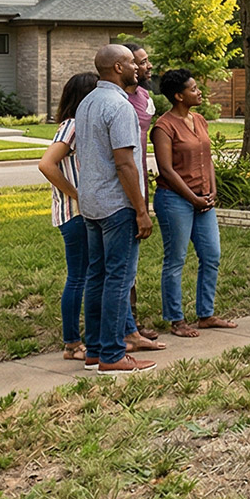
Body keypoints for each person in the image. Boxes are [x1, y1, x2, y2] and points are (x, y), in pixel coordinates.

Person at [74, 44, 158, 373]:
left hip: (91, 203)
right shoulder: (119, 107)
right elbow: (125, 163)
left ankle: (93, 350)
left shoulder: (87, 103)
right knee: (118, 279)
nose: (137, 67)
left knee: (96, 275)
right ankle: (112, 354)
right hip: (116, 206)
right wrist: (140, 209)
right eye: (130, 63)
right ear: (118, 68)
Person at [151, 68, 238, 337]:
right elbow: (166, 169)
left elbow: (206, 158)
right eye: (193, 89)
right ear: (178, 96)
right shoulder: (163, 127)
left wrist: (211, 191)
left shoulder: (199, 120)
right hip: (175, 200)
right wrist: (193, 198)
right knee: (176, 259)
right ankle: (176, 320)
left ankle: (206, 314)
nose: (199, 92)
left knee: (211, 255)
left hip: (203, 200)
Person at [36, 72, 98, 361]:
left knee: (86, 276)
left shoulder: (85, 126)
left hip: (86, 213)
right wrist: (76, 194)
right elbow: (47, 165)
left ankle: (81, 339)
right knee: (78, 278)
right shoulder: (71, 127)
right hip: (75, 216)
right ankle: (72, 343)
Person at [124, 43, 161, 343]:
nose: (148, 66)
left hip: (140, 177)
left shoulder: (144, 96)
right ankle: (127, 328)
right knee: (124, 259)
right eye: (141, 62)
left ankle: (131, 322)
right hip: (124, 181)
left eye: (147, 61)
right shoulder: (118, 99)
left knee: (133, 257)